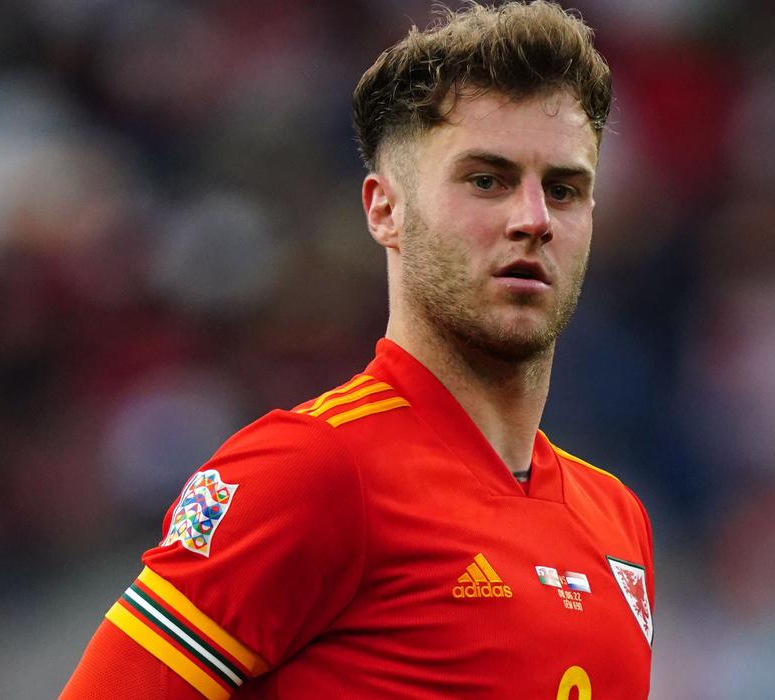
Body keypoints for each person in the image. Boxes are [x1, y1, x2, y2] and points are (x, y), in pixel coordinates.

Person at [61, 2, 653, 698]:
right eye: (486, 180)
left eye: (563, 190)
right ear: (385, 210)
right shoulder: (313, 473)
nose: (533, 219)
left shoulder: (618, 520)